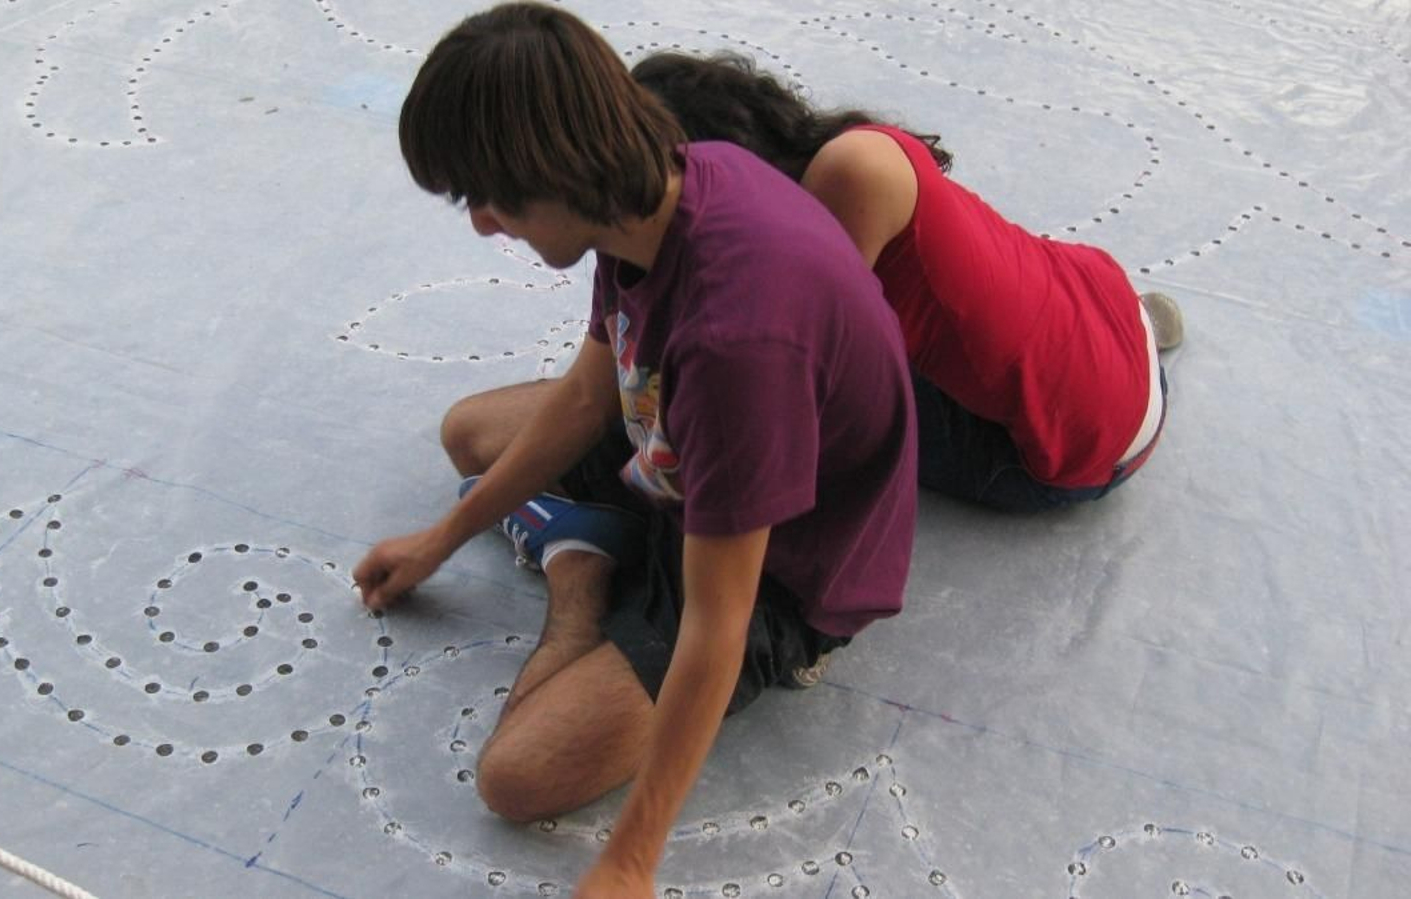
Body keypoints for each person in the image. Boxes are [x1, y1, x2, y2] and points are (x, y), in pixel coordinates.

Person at [350, 3, 917, 895]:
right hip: (680, 439)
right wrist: (441, 540)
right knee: (471, 435)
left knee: (517, 777)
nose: (483, 226)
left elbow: (718, 619)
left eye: (488, 199)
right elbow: (588, 389)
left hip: (785, 565)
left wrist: (630, 858)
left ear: (556, 170)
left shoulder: (739, 340)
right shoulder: (673, 183)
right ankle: (590, 540)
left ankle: (580, 570)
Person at [633, 52, 1184, 513]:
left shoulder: (836, 192)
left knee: (790, 395)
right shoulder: (854, 146)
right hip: (1112, 317)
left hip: (1075, 456)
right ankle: (1133, 354)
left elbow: (781, 394)